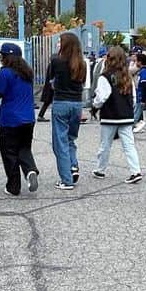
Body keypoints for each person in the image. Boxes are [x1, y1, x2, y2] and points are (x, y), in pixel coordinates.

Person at [0, 42, 39, 197]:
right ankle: (30, 170)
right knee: (24, 148)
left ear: (7, 57)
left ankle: (13, 186)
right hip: (28, 118)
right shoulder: (27, 73)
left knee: (9, 152)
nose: (0, 57)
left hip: (10, 119)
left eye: (2, 55)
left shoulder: (5, 72)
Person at [91, 45, 141, 183]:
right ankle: (135, 170)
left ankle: (100, 169)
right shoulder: (128, 76)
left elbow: (102, 97)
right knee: (129, 145)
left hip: (110, 115)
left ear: (109, 59)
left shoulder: (105, 76)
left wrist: (95, 105)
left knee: (105, 144)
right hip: (126, 115)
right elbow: (134, 98)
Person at [45, 32, 86, 191]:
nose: (58, 44)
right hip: (77, 104)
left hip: (61, 102)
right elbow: (82, 83)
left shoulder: (56, 60)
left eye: (60, 42)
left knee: (60, 143)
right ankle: (73, 165)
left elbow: (51, 81)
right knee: (70, 138)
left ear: (65, 44)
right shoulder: (82, 63)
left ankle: (66, 180)